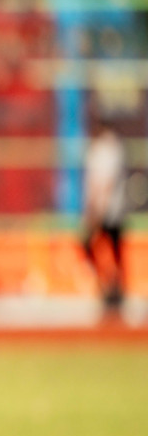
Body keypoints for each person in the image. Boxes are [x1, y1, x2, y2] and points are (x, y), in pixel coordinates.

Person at [81, 122, 128, 310]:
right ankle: (109, 284)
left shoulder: (108, 149)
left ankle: (113, 287)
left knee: (111, 250)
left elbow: (104, 183)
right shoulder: (107, 149)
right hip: (110, 210)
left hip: (109, 211)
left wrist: (96, 209)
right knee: (101, 248)